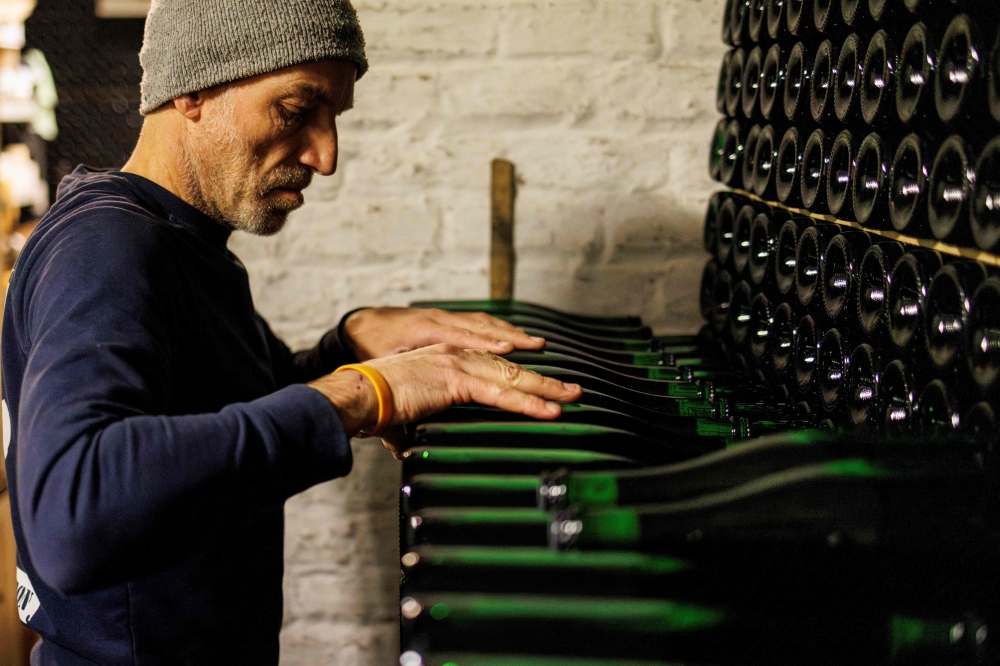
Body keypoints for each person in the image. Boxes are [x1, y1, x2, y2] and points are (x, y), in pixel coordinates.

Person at [1, 1, 582, 664]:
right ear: (192, 87)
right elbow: (73, 513)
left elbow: (221, 407)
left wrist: (349, 346)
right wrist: (362, 393)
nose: (325, 155)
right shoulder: (107, 246)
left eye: (334, 117)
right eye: (297, 108)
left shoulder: (180, 242)